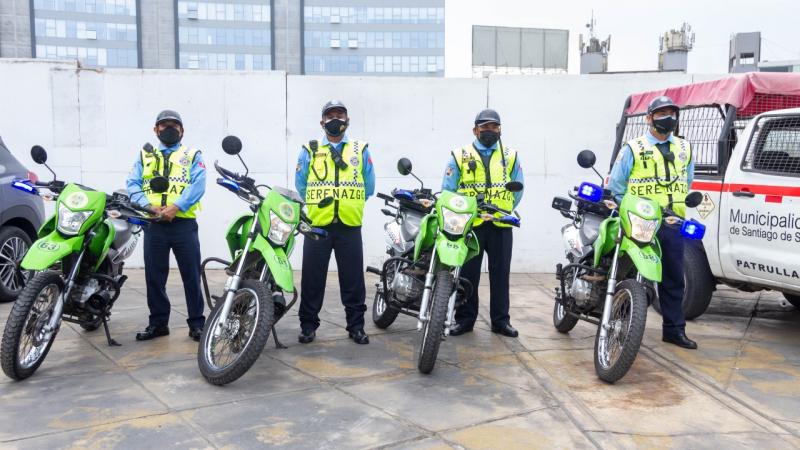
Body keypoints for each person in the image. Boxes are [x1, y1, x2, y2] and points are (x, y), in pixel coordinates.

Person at [608, 95, 698, 349]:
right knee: (628, 271)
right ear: (649, 118)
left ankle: (674, 329)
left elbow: (687, 182)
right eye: (661, 114)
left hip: (671, 221)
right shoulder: (633, 148)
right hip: (640, 219)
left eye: (671, 113)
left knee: (673, 277)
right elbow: (617, 186)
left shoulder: (684, 148)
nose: (667, 118)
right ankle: (621, 324)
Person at [295, 100, 375, 345]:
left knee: (353, 280)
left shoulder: (360, 150)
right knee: (312, 278)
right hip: (318, 225)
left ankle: (356, 327)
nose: (335, 119)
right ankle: (308, 326)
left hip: (349, 225)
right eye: (330, 116)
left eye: (340, 114)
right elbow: (301, 184)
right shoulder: (309, 149)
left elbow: (369, 186)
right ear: (322, 122)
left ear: (347, 120)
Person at [442, 108, 524, 338]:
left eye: (494, 127)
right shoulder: (460, 155)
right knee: (468, 275)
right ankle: (465, 319)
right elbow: (448, 190)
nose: (490, 131)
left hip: (500, 224)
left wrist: (504, 206)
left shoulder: (511, 155)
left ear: (500, 130)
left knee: (501, 275)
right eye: (485, 127)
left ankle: (500, 321)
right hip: (471, 225)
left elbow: (519, 188)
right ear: (475, 130)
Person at [126, 110, 206, 342]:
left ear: (182, 131)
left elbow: (198, 184)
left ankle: (197, 324)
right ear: (155, 130)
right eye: (164, 125)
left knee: (191, 275)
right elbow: (132, 184)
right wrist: (148, 206)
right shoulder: (145, 155)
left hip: (183, 224)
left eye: (174, 125)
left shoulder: (192, 154)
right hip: (154, 224)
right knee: (154, 276)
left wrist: (176, 207)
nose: (169, 129)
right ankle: (159, 323)